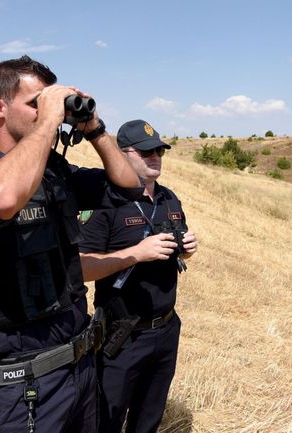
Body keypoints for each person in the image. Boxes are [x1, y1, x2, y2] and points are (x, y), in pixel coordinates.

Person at [0, 55, 142, 433]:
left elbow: (128, 187)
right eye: (35, 103)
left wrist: (94, 129)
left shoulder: (57, 174)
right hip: (21, 388)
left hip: (81, 368)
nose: (49, 113)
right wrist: (47, 123)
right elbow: (1, 201)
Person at [78, 119, 198, 433]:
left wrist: (186, 249)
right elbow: (80, 268)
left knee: (149, 418)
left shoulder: (169, 200)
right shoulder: (104, 203)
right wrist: (137, 253)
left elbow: (176, 251)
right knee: (107, 417)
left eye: (158, 150)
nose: (155, 156)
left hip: (166, 329)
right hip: (122, 336)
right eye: (146, 152)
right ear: (122, 154)